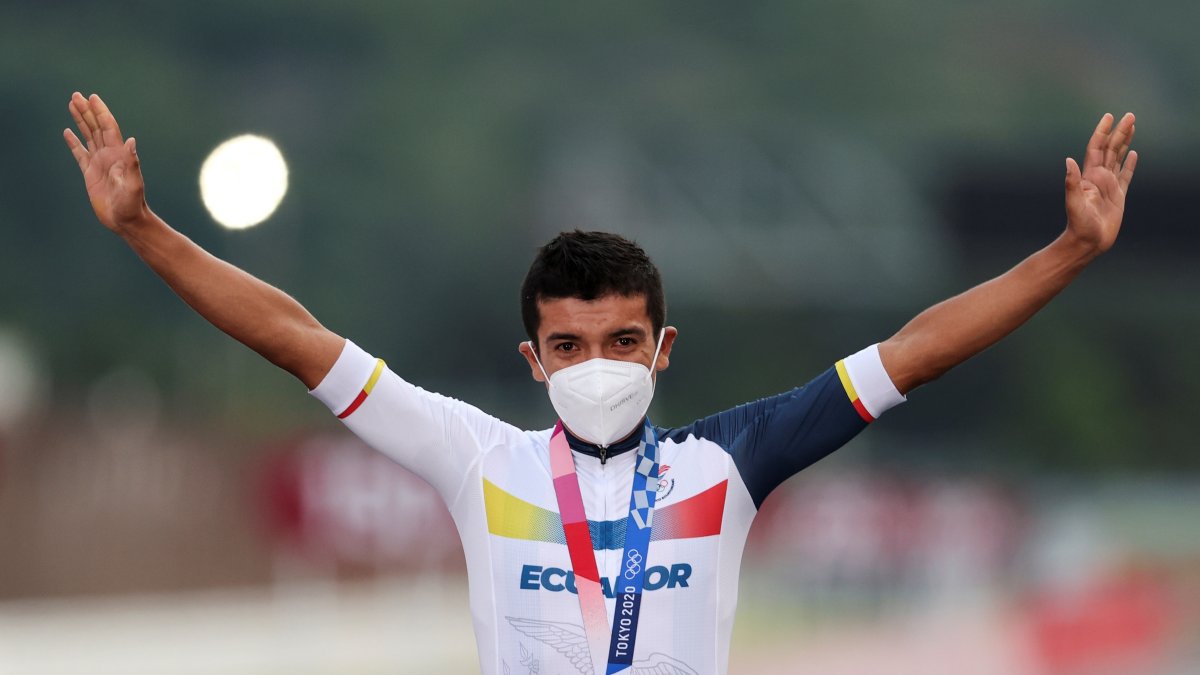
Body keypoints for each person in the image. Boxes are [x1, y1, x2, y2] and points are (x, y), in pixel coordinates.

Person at [64, 92, 1137, 675]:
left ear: (662, 352)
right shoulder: (473, 457)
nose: (596, 368)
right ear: (534, 362)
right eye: (569, 348)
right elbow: (298, 340)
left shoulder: (734, 463)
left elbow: (916, 350)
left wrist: (1069, 254)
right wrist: (146, 230)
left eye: (621, 342)